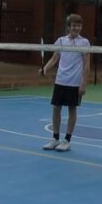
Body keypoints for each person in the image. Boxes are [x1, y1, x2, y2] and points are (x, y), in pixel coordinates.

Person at [39, 13, 91, 151]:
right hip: (60, 80)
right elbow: (54, 58)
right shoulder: (61, 41)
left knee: (72, 110)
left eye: (79, 25)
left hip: (74, 83)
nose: (76, 28)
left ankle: (67, 140)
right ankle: (55, 138)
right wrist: (45, 69)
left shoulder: (84, 42)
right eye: (74, 25)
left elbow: (87, 65)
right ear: (68, 27)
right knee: (56, 108)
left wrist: (83, 83)